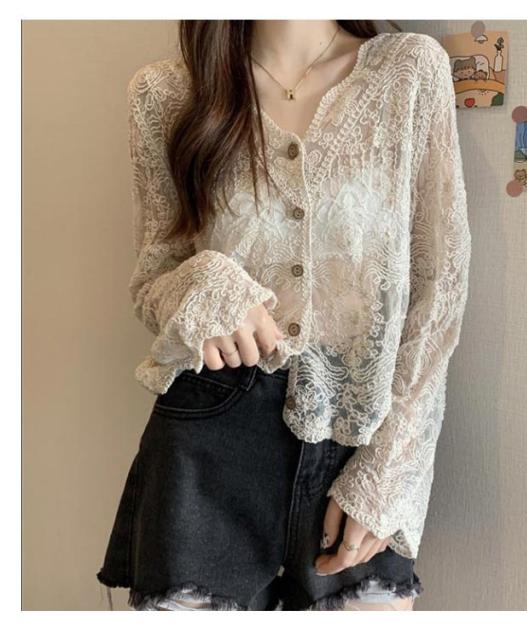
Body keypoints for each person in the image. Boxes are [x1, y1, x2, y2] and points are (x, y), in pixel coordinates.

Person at [96, 19, 471, 611]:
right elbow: (152, 280)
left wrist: (389, 471)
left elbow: (439, 289)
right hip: (210, 435)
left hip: (357, 438)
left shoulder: (408, 71)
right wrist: (207, 281)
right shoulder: (164, 94)